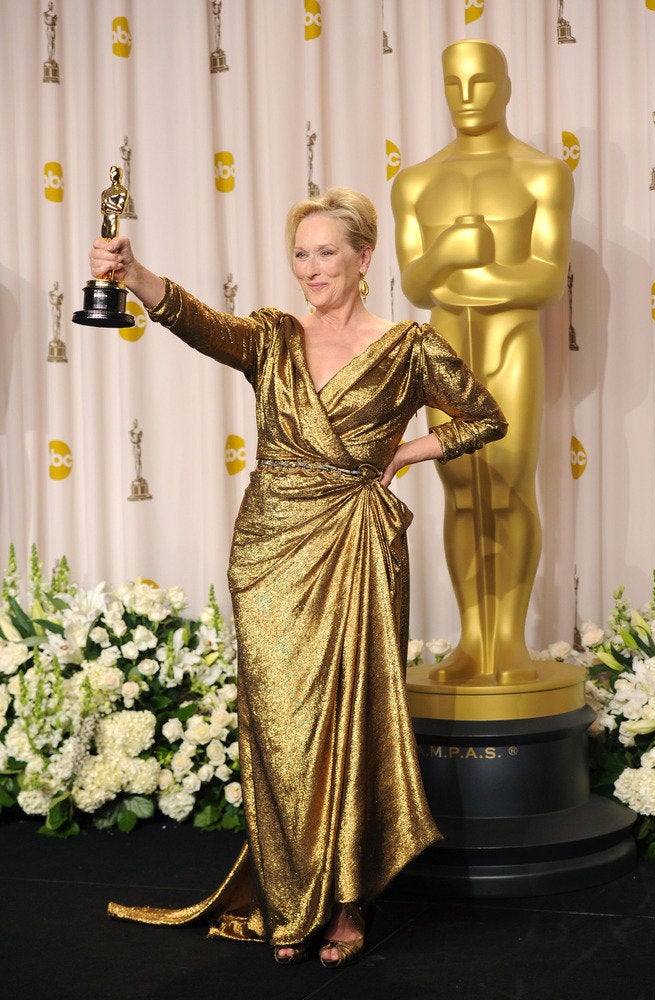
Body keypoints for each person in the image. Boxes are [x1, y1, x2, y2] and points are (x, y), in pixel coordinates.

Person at [91, 188, 507, 966]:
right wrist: (134, 273)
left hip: (354, 543)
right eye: (301, 254)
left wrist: (402, 455)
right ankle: (292, 898)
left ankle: (347, 906)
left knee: (352, 721)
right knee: (282, 732)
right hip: (271, 549)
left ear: (363, 259)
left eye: (326, 253)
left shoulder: (409, 345)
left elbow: (484, 416)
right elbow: (197, 322)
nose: (311, 268)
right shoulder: (272, 338)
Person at [391, 40, 573, 683]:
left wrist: (466, 278)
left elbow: (547, 280)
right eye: (453, 84)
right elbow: (416, 285)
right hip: (445, 351)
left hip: (510, 343)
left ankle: (510, 643)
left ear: (506, 85)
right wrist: (452, 253)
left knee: (510, 484)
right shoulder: (414, 181)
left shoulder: (541, 174)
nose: (466, 97)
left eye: (479, 82)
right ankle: (473, 641)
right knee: (462, 492)